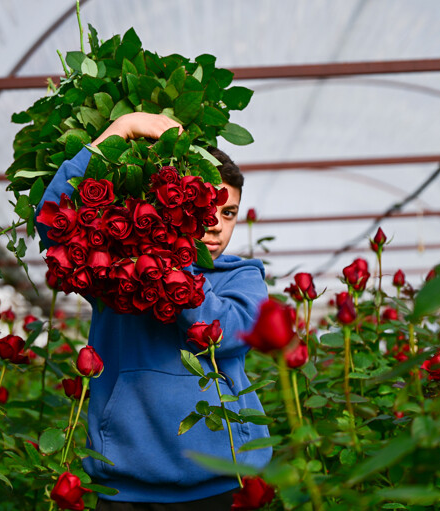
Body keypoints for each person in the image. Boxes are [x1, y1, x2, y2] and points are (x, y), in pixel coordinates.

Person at [37, 112, 271, 509]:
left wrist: (171, 265)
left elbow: (228, 333)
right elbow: (53, 222)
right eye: (207, 205)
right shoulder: (118, 267)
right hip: (126, 484)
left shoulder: (242, 277)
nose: (215, 224)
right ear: (175, 202)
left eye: (228, 212)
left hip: (221, 481)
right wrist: (119, 131)